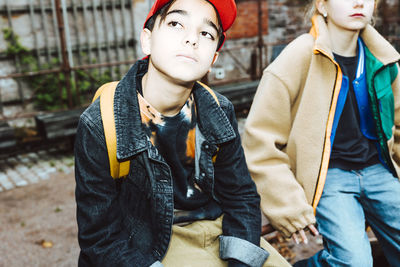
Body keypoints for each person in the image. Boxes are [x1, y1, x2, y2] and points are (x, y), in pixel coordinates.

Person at [74, 0, 291, 266]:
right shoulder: (100, 123)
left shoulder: (219, 109)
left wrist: (240, 260)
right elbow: (99, 237)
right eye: (177, 24)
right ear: (147, 40)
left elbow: (240, 195)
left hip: (217, 228)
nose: (192, 39)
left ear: (212, 59)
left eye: (206, 33)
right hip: (149, 242)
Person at [243, 0, 400, 266]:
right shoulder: (299, 56)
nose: (358, 2)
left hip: (379, 170)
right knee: (355, 262)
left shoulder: (383, 58)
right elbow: (260, 141)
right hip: (329, 179)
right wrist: (287, 204)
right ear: (322, 6)